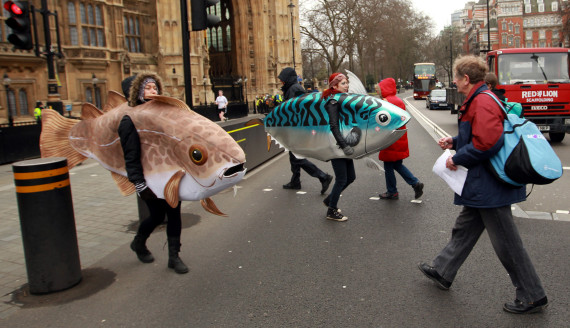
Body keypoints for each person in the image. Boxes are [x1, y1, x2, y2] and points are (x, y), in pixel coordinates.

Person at [418, 55, 547, 314]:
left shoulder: (483, 101)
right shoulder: (481, 98)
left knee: (507, 244)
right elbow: (480, 134)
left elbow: (488, 142)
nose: (454, 82)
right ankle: (443, 269)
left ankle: (532, 295)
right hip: (483, 183)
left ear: (466, 79)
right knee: (465, 228)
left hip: (490, 184)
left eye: (455, 77)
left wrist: (459, 157)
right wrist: (454, 142)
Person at [119, 72, 189, 274]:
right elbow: (130, 157)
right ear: (137, 92)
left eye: (155, 87)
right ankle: (138, 242)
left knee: (174, 213)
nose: (153, 91)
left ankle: (174, 257)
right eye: (148, 88)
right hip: (149, 178)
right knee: (157, 216)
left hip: (169, 174)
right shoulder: (129, 121)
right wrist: (139, 183)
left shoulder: (163, 115)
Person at [277, 67, 333, 194]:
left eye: (282, 79)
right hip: (295, 128)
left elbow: (293, 109)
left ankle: (323, 176)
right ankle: (295, 181)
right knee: (293, 156)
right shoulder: (292, 88)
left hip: (297, 129)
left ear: (287, 78)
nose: (281, 82)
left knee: (297, 157)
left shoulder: (294, 89)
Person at [377, 78, 424, 200]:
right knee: (397, 164)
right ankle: (414, 183)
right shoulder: (399, 100)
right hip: (400, 136)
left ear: (384, 88)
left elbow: (382, 120)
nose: (378, 92)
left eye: (379, 89)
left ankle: (393, 191)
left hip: (390, 138)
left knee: (388, 165)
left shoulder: (385, 102)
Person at [321, 73, 356, 222]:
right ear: (334, 86)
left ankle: (330, 200)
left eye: (347, 82)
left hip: (343, 143)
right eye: (343, 83)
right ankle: (331, 210)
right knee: (342, 179)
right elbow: (334, 126)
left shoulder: (341, 100)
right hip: (337, 145)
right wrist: (344, 145)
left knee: (351, 177)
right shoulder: (333, 101)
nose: (346, 85)